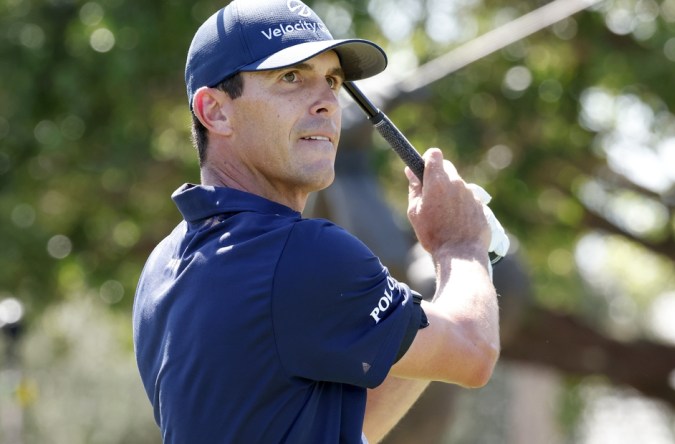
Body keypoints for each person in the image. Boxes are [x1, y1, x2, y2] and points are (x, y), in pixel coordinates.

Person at [132, 0, 504, 442]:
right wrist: (461, 246)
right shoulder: (304, 254)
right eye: (291, 77)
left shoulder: (163, 265)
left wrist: (429, 300)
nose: (328, 102)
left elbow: (345, 426)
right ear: (214, 110)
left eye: (332, 80)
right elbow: (474, 353)